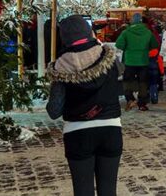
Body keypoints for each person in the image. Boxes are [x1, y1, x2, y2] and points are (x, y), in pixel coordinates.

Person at [46, 16, 122, 196]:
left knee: (82, 191)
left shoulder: (60, 66)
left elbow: (54, 111)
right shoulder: (110, 58)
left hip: (77, 134)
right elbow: (119, 86)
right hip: (110, 130)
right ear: (89, 32)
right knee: (109, 190)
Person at [115, 13, 158, 111]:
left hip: (129, 61)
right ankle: (142, 104)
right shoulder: (148, 32)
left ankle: (130, 99)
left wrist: (128, 48)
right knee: (143, 82)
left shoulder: (126, 32)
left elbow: (119, 45)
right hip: (143, 61)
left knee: (127, 81)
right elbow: (154, 45)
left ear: (132, 21)